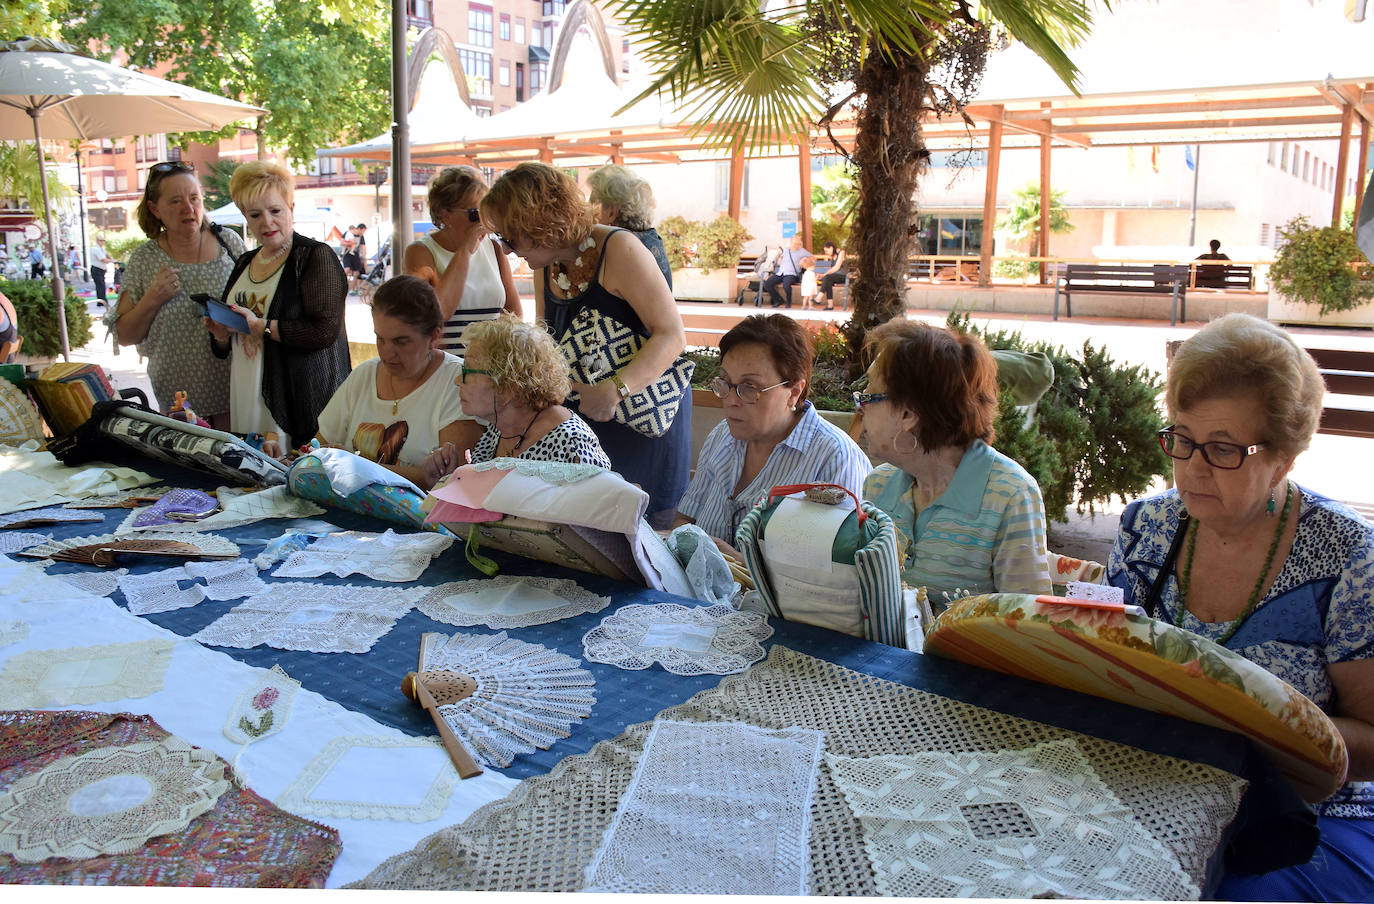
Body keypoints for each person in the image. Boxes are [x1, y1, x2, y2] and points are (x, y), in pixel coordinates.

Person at [1105, 313, 1373, 903]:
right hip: (1164, 785)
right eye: (1180, 437)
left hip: (1312, 819)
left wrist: (1243, 724)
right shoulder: (1147, 527)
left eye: (1223, 448)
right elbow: (1104, 653)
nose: (1192, 468)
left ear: (1284, 457)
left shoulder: (1351, 557)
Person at [478, 162, 691, 529]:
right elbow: (547, 343)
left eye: (510, 238)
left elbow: (673, 335)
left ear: (540, 225)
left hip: (639, 419)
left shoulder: (620, 248)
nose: (508, 251)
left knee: (642, 540)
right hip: (585, 428)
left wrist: (615, 390)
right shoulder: (546, 264)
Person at [859, 319, 1052, 606]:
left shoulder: (1010, 495)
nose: (860, 405)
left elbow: (1026, 625)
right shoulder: (879, 484)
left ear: (909, 414)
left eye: (869, 396)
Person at [675, 314, 871, 557]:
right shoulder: (722, 436)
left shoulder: (834, 458)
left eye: (750, 388)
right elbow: (684, 519)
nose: (731, 400)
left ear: (794, 392)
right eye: (725, 382)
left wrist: (738, 565)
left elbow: (831, 576)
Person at [205, 160, 350, 457]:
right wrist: (221, 334)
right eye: (255, 214)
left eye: (275, 211)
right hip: (247, 386)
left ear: (291, 207)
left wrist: (262, 327)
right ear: (245, 216)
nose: (266, 223)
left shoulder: (314, 257)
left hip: (297, 394)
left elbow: (324, 331)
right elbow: (226, 342)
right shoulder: (245, 262)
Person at [316, 275, 484, 489]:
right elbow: (318, 447)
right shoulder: (364, 375)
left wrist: (356, 465)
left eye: (401, 342)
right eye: (380, 338)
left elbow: (452, 481)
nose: (387, 353)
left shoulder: (458, 382)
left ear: (433, 337)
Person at [114, 161, 246, 425]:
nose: (189, 208)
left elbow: (255, 309)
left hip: (236, 385)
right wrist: (153, 297)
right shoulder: (144, 258)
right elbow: (125, 335)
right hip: (178, 398)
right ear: (155, 209)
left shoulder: (229, 243)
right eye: (175, 201)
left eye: (194, 198)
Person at [422, 313, 611, 483]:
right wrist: (449, 477)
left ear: (509, 385)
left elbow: (595, 515)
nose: (457, 380)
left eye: (468, 371)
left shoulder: (571, 443)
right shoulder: (499, 428)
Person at [403, 166, 521, 355]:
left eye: (486, 212)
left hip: (489, 369)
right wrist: (465, 251)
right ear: (445, 214)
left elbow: (514, 315)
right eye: (475, 213)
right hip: (444, 370)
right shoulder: (421, 251)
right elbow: (436, 314)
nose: (482, 222)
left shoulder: (493, 248)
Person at [587, 164, 672, 289]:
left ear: (612, 212)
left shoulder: (622, 248)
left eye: (593, 205)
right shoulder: (650, 240)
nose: (589, 213)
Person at [764, 234, 810, 308]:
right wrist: (779, 259)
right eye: (795, 244)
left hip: (792, 274)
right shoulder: (786, 250)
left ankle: (788, 302)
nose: (797, 245)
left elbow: (813, 258)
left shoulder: (802, 251)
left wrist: (805, 259)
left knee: (786, 284)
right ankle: (778, 300)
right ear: (791, 243)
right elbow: (780, 261)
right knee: (767, 284)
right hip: (781, 273)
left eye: (798, 244)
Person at [819, 240, 849, 311]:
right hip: (836, 277)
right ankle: (830, 305)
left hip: (845, 276)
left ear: (831, 248)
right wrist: (821, 276)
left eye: (827, 251)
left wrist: (824, 274)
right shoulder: (833, 256)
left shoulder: (842, 252)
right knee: (827, 280)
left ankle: (819, 297)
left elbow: (836, 267)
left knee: (827, 277)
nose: (826, 253)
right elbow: (831, 270)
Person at [89, 235, 113, 304]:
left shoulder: (101, 248)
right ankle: (101, 301)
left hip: (101, 269)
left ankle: (102, 301)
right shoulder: (95, 249)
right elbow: (103, 259)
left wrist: (111, 258)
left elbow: (107, 255)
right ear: (97, 241)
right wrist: (112, 261)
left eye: (103, 240)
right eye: (101, 240)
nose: (102, 242)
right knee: (100, 286)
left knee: (102, 286)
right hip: (97, 269)